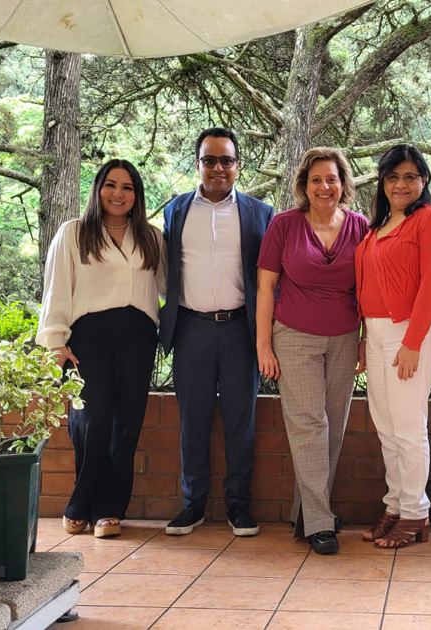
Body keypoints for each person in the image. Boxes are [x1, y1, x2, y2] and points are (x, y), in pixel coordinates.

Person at [37, 159, 165, 539]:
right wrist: (56, 342)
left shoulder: (152, 237)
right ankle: (81, 501)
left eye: (127, 187)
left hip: (138, 336)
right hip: (87, 335)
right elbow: (56, 289)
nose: (118, 194)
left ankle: (110, 508)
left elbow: (169, 287)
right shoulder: (74, 233)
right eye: (111, 185)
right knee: (92, 420)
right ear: (97, 189)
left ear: (137, 195)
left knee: (126, 424)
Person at [160, 128, 274, 537]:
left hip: (241, 331)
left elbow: (271, 278)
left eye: (226, 160)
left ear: (238, 166)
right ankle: (192, 505)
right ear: (198, 165)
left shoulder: (261, 213)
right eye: (210, 160)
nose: (218, 168)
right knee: (193, 421)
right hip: (191, 330)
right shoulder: (174, 211)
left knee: (241, 421)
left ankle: (238, 506)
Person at [256, 147, 368, 555]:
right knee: (309, 426)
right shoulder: (284, 225)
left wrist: (366, 339)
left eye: (333, 179)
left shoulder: (360, 227)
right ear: (304, 184)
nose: (325, 187)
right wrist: (263, 344)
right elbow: (265, 288)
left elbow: (368, 290)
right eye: (317, 179)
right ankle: (321, 523)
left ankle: (305, 513)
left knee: (333, 426)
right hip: (294, 337)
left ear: (344, 184)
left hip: (343, 336)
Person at [355, 144, 431, 549]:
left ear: (423, 181)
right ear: (382, 182)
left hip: (412, 329)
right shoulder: (377, 225)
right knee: (387, 427)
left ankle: (415, 512)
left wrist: (412, 343)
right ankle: (395, 506)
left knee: (409, 428)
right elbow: (367, 287)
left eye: (410, 176)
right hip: (375, 332)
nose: (401, 184)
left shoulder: (430, 221)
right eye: (393, 177)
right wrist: (363, 337)